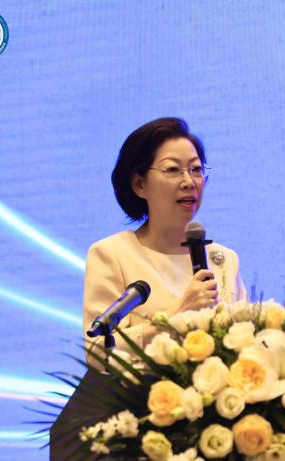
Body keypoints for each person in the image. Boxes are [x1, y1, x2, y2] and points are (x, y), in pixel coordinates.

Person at [83, 117, 247, 367]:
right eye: (172, 170)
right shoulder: (112, 254)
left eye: (196, 169)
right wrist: (179, 313)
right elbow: (97, 352)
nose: (189, 181)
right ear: (139, 184)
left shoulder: (224, 259)